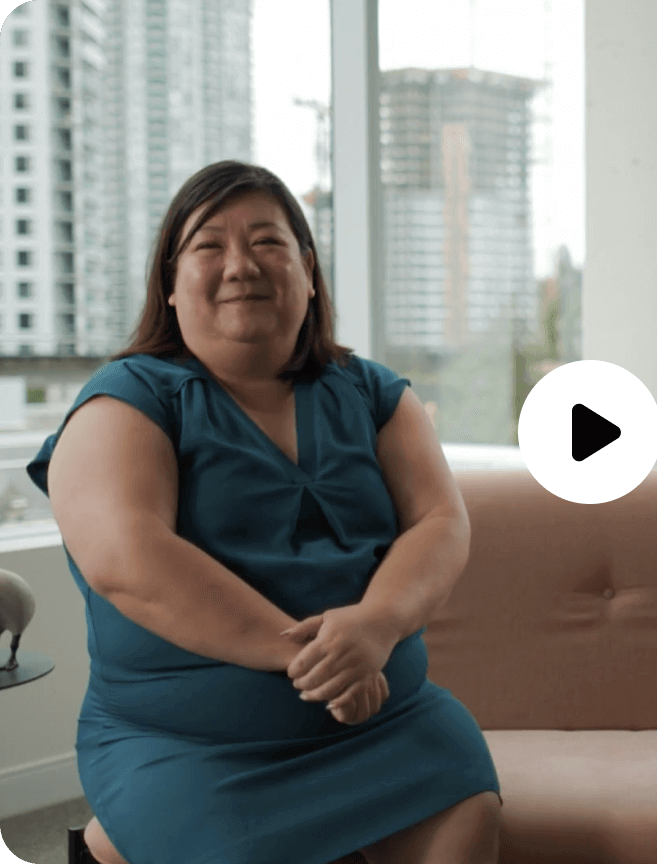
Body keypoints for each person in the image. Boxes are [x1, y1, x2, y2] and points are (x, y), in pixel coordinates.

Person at [27, 161, 500, 864]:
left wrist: (376, 626)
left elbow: (441, 522)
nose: (241, 265)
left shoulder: (372, 392)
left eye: (269, 243)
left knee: (470, 817)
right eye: (208, 245)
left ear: (308, 270)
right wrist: (323, 661)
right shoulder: (127, 398)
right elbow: (126, 561)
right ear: (170, 282)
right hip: (190, 746)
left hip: (389, 724)